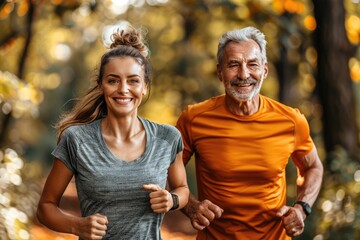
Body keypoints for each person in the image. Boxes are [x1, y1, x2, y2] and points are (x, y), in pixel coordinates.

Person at [37, 23, 189, 240]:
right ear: (101, 85)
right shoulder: (77, 140)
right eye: (113, 80)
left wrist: (172, 200)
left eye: (133, 80)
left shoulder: (167, 138)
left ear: (145, 86)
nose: (123, 89)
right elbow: (45, 207)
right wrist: (78, 226)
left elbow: (182, 188)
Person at [176, 26, 324, 239]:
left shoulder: (291, 121)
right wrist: (191, 207)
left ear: (264, 70)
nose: (244, 74)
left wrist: (302, 207)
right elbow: (170, 169)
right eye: (233, 65)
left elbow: (313, 167)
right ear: (220, 71)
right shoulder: (193, 119)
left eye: (252, 64)